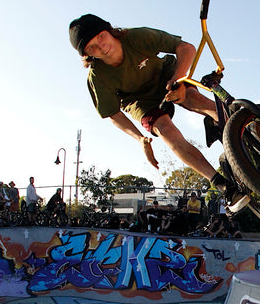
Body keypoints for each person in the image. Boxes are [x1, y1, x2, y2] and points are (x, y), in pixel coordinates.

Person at [68, 15, 235, 195]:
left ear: (109, 30)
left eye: (101, 36)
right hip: (139, 100)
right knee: (165, 130)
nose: (101, 47)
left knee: (193, 99)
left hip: (165, 75)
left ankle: (243, 135)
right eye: (92, 47)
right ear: (88, 54)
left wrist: (177, 82)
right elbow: (114, 115)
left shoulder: (136, 37)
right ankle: (221, 183)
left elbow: (186, 48)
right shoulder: (98, 77)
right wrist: (140, 139)